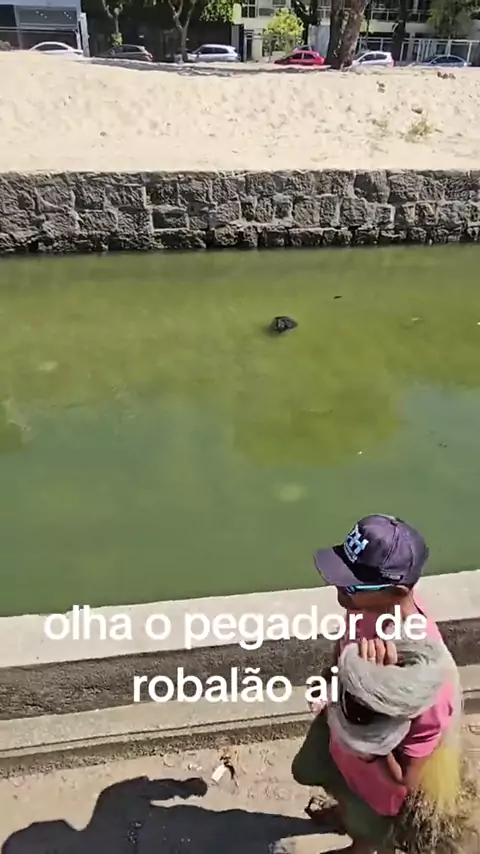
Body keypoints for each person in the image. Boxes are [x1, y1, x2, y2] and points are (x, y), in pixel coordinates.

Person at [291, 514, 461, 854]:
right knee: (311, 770)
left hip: (377, 779)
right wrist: (331, 676)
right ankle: (345, 810)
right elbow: (345, 642)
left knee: (370, 823)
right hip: (342, 727)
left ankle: (362, 844)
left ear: (396, 591)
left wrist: (367, 717)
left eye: (350, 585)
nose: (339, 589)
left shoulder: (428, 682)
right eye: (341, 576)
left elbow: (405, 780)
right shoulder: (363, 605)